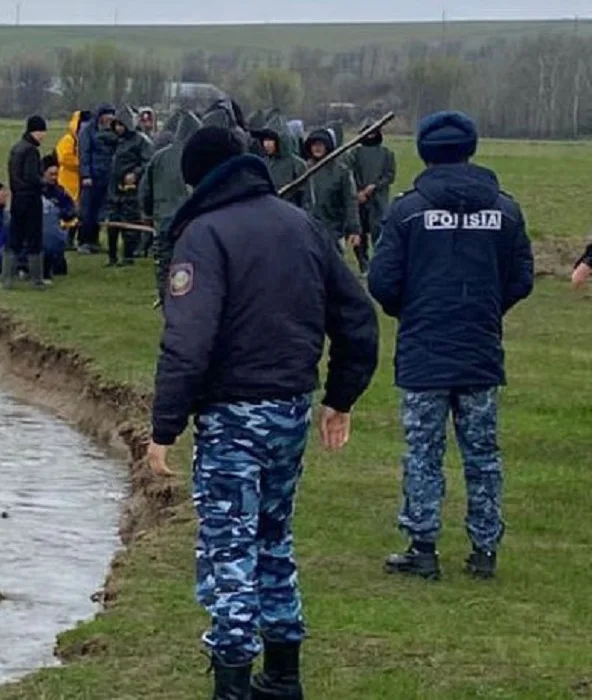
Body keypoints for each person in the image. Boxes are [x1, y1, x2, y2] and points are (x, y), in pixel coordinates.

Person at [147, 126, 379, 700]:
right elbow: (357, 317)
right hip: (291, 410)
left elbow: (189, 341)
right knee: (274, 538)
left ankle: (232, 681)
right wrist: (340, 397)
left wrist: (164, 428)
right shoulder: (300, 224)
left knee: (228, 547)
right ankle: (283, 675)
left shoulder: (203, 234)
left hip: (231, 416)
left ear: (195, 178)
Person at [369, 111, 534, 581]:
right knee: (482, 452)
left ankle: (423, 546)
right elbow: (521, 278)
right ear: (470, 148)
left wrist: (413, 311)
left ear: (425, 152)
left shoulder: (407, 210)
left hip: (424, 351)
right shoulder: (505, 210)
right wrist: (487, 309)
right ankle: (484, 549)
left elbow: (382, 280)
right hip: (481, 348)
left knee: (423, 450)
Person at [141, 108, 200, 300]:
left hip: (164, 222)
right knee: (190, 268)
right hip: (191, 225)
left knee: (165, 267)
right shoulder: (201, 157)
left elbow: (145, 190)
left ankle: (168, 302)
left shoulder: (159, 157)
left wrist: (148, 214)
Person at [6, 115, 48, 290]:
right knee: (34, 238)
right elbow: (32, 177)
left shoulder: (16, 148)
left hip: (17, 198)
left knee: (15, 238)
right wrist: (44, 183)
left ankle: (6, 278)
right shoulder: (31, 150)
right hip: (31, 199)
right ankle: (37, 280)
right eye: (43, 131)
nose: (44, 136)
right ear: (36, 131)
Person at [350, 120, 397, 274]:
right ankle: (364, 264)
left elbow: (389, 175)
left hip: (378, 200)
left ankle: (379, 265)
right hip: (359, 200)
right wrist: (358, 191)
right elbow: (350, 173)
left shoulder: (386, 154)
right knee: (359, 232)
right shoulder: (355, 154)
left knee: (379, 232)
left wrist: (374, 186)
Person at [304, 129, 361, 256]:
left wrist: (354, 230)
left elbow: (350, 201)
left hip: (334, 231)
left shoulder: (342, 172)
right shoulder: (303, 170)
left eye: (321, 144)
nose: (317, 148)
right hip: (307, 230)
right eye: (314, 144)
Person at [106, 117, 153, 266]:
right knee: (112, 223)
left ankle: (128, 256)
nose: (119, 128)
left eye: (122, 124)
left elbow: (148, 162)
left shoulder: (140, 141)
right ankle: (112, 257)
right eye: (116, 125)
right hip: (114, 187)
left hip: (131, 188)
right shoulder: (115, 140)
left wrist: (136, 173)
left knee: (130, 222)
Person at [77, 104, 118, 254]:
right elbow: (84, 153)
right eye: (108, 114)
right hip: (92, 176)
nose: (111, 118)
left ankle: (94, 240)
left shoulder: (112, 131)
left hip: (106, 176)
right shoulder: (87, 130)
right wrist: (86, 175)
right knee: (88, 209)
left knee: (100, 210)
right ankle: (83, 241)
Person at [253, 115, 309, 210]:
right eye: (265, 140)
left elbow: (306, 199)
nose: (266, 144)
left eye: (270, 140)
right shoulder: (262, 164)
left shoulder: (297, 165)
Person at [41, 155, 77, 280]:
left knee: (60, 270)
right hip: (40, 234)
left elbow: (71, 208)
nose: (54, 177)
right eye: (51, 174)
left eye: (56, 174)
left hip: (56, 233)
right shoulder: (36, 192)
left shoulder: (59, 191)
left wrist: (66, 213)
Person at [56, 110, 90, 208]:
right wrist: (82, 164)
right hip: (67, 180)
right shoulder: (68, 139)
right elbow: (64, 158)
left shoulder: (85, 140)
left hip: (79, 181)